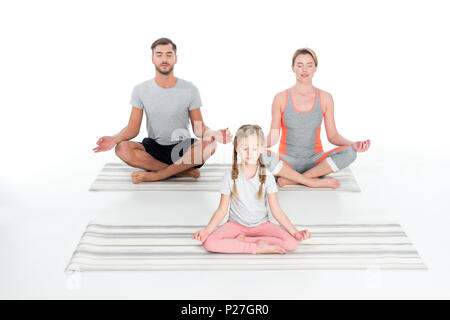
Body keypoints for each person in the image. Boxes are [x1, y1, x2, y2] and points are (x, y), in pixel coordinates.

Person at [93, 38, 232, 183]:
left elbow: (199, 128)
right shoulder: (140, 90)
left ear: (175, 58)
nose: (164, 59)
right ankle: (180, 173)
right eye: (159, 55)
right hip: (154, 149)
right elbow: (133, 128)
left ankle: (157, 175)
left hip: (183, 150)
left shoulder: (190, 89)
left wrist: (214, 133)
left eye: (169, 54)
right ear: (153, 59)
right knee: (121, 148)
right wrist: (114, 139)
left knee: (210, 144)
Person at [193, 125, 312, 254]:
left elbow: (276, 210)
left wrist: (295, 232)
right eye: (245, 148)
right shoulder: (229, 176)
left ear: (261, 148)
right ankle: (255, 247)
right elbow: (222, 210)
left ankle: (246, 241)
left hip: (262, 226)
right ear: (237, 149)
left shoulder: (267, 176)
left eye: (254, 148)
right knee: (210, 243)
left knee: (292, 243)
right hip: (235, 226)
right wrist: (207, 231)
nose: (249, 153)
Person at [263, 48, 371, 187]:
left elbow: (333, 136)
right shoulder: (281, 98)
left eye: (309, 65)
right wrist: (253, 146)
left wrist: (353, 144)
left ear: (315, 68)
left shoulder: (325, 98)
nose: (304, 70)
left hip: (315, 162)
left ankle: (294, 179)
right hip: (287, 162)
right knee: (260, 156)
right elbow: (273, 137)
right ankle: (312, 181)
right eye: (299, 65)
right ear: (293, 68)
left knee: (350, 152)